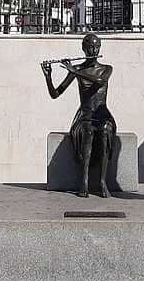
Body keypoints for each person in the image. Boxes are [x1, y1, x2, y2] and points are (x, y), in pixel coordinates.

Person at [41, 33, 116, 198]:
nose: (93, 49)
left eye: (96, 46)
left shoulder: (106, 68)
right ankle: (84, 182)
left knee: (105, 131)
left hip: (102, 113)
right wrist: (48, 77)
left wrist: (75, 71)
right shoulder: (77, 70)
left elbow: (100, 82)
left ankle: (102, 181)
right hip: (85, 115)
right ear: (83, 49)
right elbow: (55, 94)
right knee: (88, 131)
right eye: (89, 47)